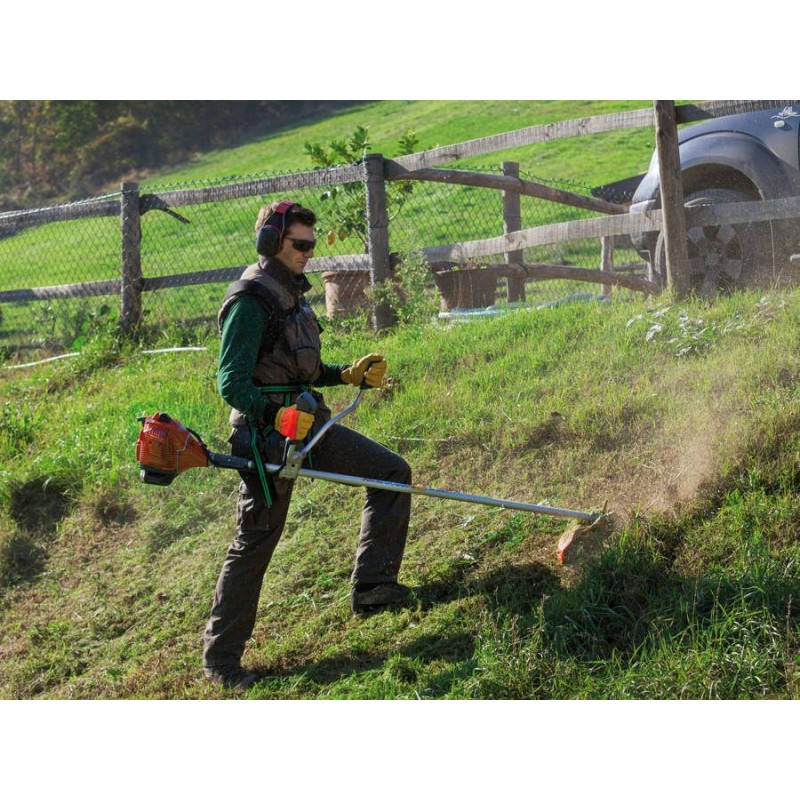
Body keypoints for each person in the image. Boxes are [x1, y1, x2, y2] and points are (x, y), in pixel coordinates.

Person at [202, 200, 411, 690]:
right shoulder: (250, 299)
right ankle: (221, 661)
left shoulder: (292, 294)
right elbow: (231, 382)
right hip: (266, 439)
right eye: (301, 244)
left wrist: (346, 375)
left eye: (312, 245)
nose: (309, 253)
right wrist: (274, 416)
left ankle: (374, 586)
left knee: (391, 473)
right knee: (256, 541)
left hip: (308, 424)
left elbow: (303, 370)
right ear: (272, 242)